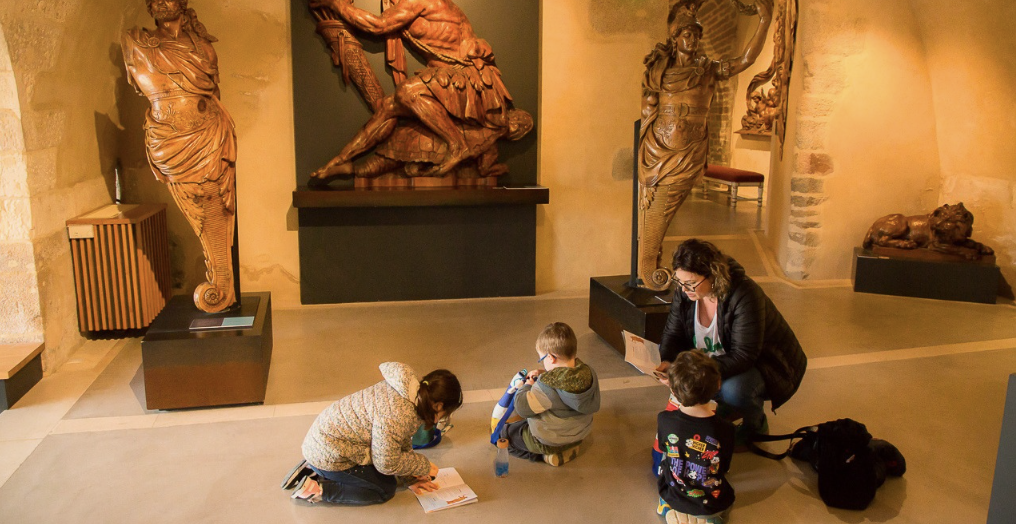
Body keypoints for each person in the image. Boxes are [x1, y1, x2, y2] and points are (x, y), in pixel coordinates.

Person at [636, 0, 772, 291]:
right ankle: (648, 266)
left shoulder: (708, 68)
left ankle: (649, 266)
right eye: (688, 34)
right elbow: (649, 107)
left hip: (689, 151)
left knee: (664, 211)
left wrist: (764, 21)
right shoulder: (659, 69)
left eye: (697, 35)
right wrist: (647, 144)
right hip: (659, 149)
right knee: (653, 213)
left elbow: (745, 60)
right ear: (676, 38)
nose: (693, 40)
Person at [307, 0, 519, 183]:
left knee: (407, 93)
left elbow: (377, 25)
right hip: (450, 79)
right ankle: (342, 161)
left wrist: (337, 5)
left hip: (468, 81)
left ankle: (457, 145)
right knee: (387, 108)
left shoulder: (420, 1)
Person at [122, 0, 238, 312]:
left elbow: (214, 92)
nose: (160, 0)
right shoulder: (135, 41)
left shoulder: (201, 45)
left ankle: (222, 287)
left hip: (210, 134)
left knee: (215, 208)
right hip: (170, 142)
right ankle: (221, 287)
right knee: (198, 210)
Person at [655, 239, 807, 441]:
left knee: (734, 390)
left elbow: (744, 355)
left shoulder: (744, 294)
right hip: (721, 359)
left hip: (768, 363)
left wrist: (693, 372)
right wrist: (667, 360)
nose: (684, 289)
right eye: (679, 282)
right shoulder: (686, 292)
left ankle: (755, 425)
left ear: (713, 275)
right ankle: (727, 408)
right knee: (699, 385)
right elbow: (672, 334)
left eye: (690, 283)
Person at [282, 362, 462, 504]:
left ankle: (314, 467)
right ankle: (317, 488)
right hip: (329, 453)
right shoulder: (400, 414)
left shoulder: (408, 390)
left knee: (387, 477)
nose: (443, 419)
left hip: (329, 440)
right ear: (438, 406)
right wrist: (423, 466)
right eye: (446, 414)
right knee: (384, 490)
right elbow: (386, 463)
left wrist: (410, 478)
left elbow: (399, 441)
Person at [496, 322, 601, 467]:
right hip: (579, 435)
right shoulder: (588, 373)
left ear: (551, 357)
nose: (542, 363)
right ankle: (570, 447)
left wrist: (528, 385)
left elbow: (522, 407)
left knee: (503, 435)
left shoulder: (546, 386)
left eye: (542, 359)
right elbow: (565, 380)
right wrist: (545, 374)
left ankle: (547, 457)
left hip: (550, 441)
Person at [657, 350, 735, 524]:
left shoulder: (664, 420)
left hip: (674, 494)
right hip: (710, 504)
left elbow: (664, 450)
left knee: (667, 451)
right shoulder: (726, 428)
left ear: (673, 392)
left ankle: (666, 505)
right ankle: (711, 518)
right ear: (718, 384)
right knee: (726, 494)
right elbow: (725, 466)